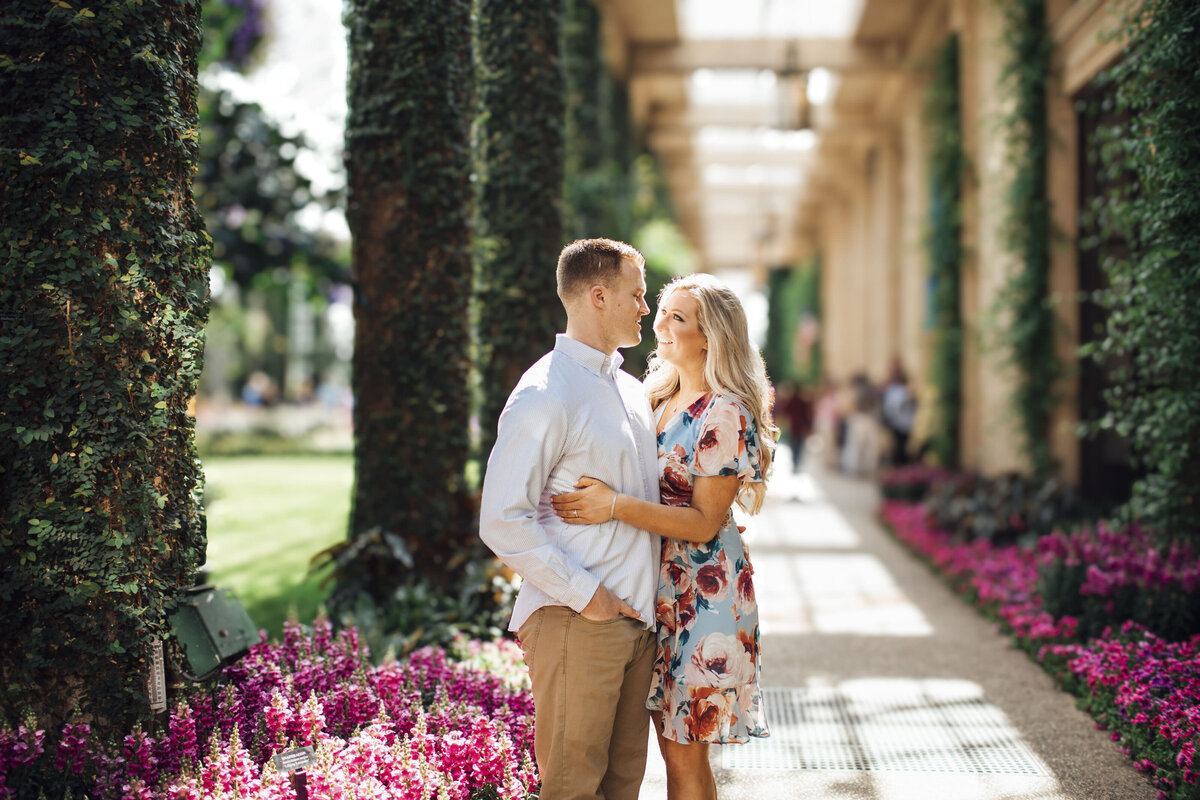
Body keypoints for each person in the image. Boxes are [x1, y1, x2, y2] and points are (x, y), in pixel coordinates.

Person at [551, 273, 776, 800]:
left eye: (678, 317)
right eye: (662, 312)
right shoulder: (656, 397)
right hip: (659, 590)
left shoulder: (723, 411)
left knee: (683, 753)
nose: (660, 324)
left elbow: (702, 523)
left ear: (710, 337)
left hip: (704, 596)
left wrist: (613, 505)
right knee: (668, 743)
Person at [478, 238, 661, 800]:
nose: (645, 308)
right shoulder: (545, 391)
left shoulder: (631, 391)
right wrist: (589, 596)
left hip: (636, 625)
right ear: (599, 296)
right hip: (576, 621)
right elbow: (501, 520)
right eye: (637, 294)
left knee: (622, 786)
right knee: (572, 788)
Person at [881, 360, 917, 466]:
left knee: (902, 446)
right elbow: (895, 406)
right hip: (899, 422)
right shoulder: (896, 390)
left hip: (903, 422)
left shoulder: (898, 390)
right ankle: (899, 467)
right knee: (899, 446)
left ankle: (900, 467)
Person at [776, 380, 814, 473]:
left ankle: (795, 462)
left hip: (794, 427)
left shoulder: (793, 401)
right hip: (800, 428)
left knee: (794, 446)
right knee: (799, 446)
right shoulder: (803, 402)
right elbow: (807, 415)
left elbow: (785, 411)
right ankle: (796, 462)